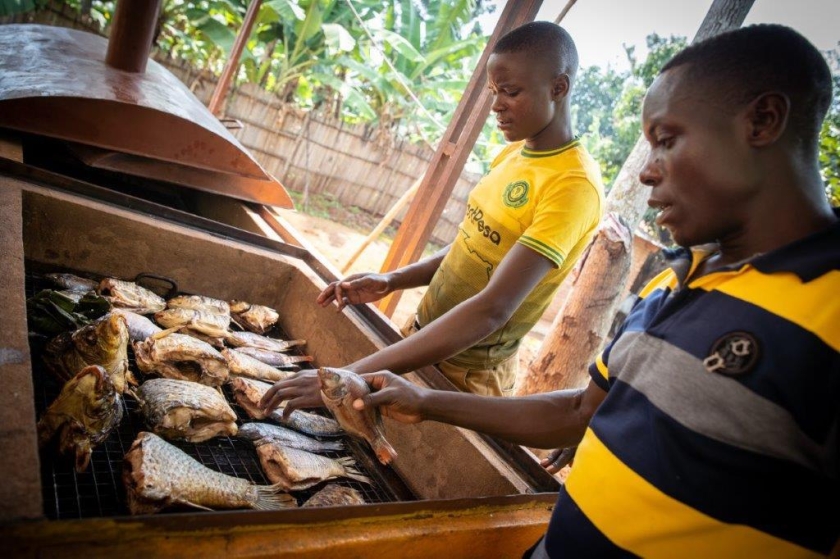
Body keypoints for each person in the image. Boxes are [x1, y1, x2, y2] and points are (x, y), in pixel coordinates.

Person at [346, 24, 840, 557]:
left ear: (762, 121)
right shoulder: (670, 282)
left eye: (667, 141)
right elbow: (581, 412)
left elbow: (493, 309)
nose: (647, 173)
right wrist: (423, 400)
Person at [261, 21, 605, 412]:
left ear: (558, 88)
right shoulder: (512, 154)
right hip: (420, 340)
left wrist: (344, 377)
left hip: (464, 378)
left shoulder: (574, 186)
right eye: (494, 92)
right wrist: (392, 281)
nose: (496, 106)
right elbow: (471, 249)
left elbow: (493, 310)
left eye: (510, 92)